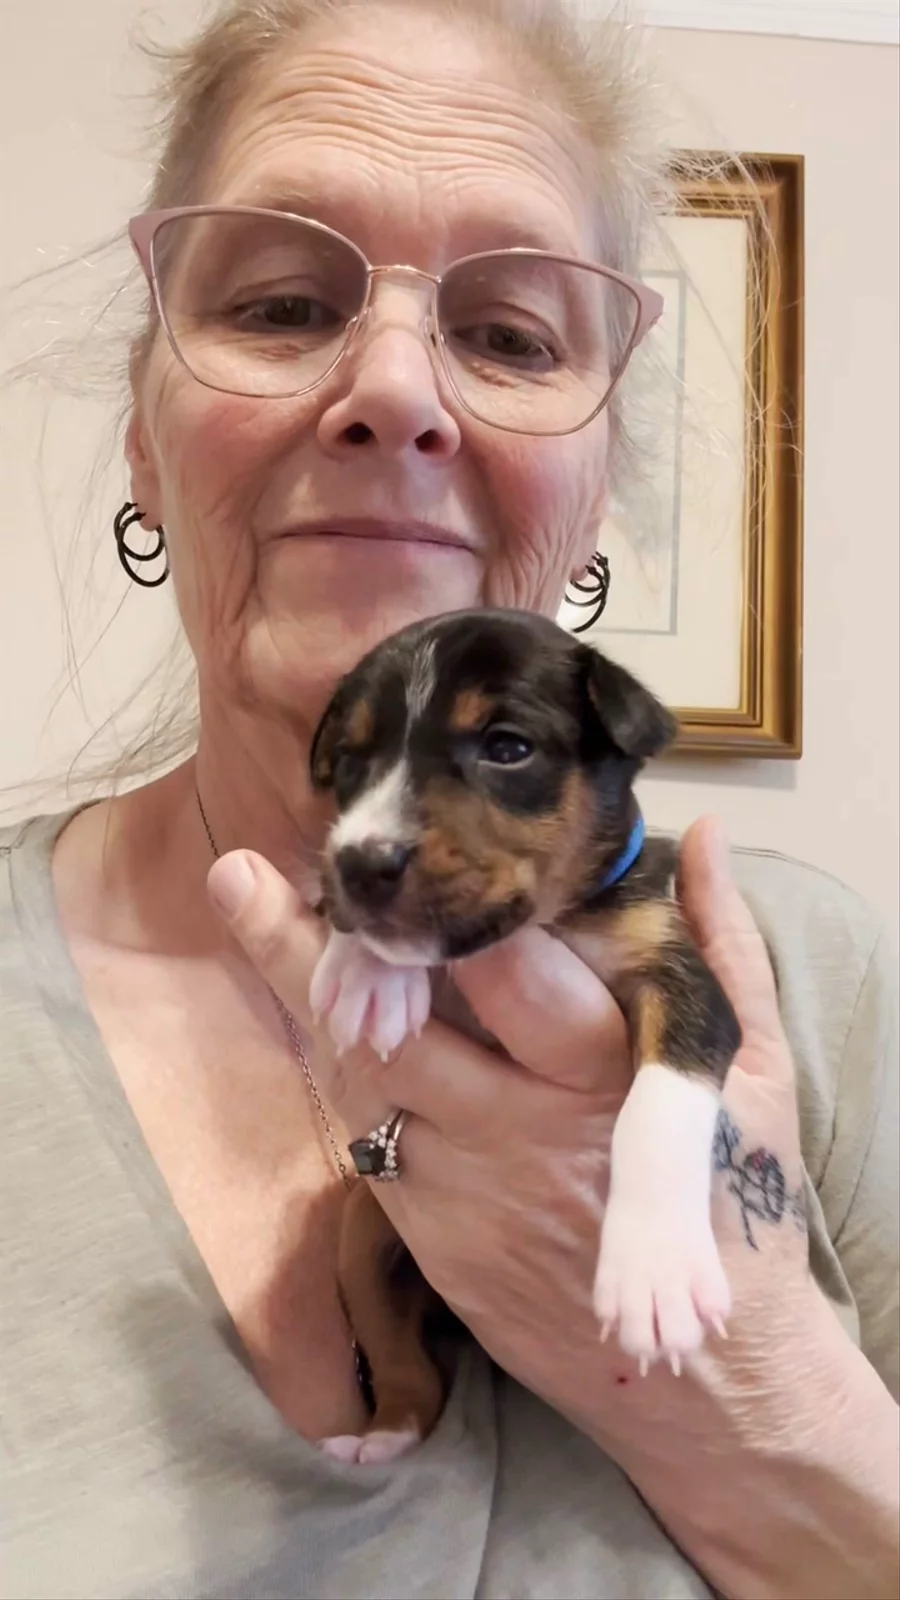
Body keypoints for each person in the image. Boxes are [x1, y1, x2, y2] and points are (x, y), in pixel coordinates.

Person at [2, 1, 898, 1596]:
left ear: (598, 486)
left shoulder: (825, 987)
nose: (397, 390)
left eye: (509, 336)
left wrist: (756, 1399)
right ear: (143, 434)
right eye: (284, 305)